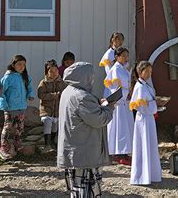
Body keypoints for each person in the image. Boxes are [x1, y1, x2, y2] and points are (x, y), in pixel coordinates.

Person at [57, 62, 116, 197]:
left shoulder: (69, 91)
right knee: (86, 191)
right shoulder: (82, 97)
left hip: (75, 150)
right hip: (84, 153)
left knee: (77, 190)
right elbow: (99, 120)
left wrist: (97, 104)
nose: (92, 80)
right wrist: (109, 107)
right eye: (90, 76)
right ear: (83, 77)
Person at [129, 61, 162, 185]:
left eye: (150, 71)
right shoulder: (140, 87)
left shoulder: (146, 85)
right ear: (139, 72)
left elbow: (149, 102)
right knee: (143, 145)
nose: (149, 74)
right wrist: (155, 104)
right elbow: (142, 107)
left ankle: (151, 174)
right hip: (143, 119)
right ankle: (141, 176)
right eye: (146, 71)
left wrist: (155, 103)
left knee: (150, 145)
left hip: (148, 119)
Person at [0, 55, 34, 160]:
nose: (22, 67)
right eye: (19, 64)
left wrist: (30, 94)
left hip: (21, 108)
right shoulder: (8, 77)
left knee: (19, 128)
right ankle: (3, 149)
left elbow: (29, 88)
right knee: (8, 128)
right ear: (13, 65)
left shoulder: (25, 77)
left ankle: (17, 145)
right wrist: (3, 105)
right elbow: (1, 92)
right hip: (10, 108)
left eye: (24, 65)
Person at [104, 47, 134, 166]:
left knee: (126, 128)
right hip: (119, 102)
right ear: (117, 57)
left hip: (125, 102)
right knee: (120, 129)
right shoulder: (116, 69)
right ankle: (119, 153)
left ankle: (125, 152)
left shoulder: (123, 69)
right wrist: (124, 96)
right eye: (124, 55)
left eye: (127, 55)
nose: (126, 58)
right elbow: (115, 87)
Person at [37, 60, 67, 152]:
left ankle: (53, 141)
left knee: (55, 125)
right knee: (48, 123)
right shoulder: (44, 83)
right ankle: (47, 144)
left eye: (56, 71)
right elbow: (40, 95)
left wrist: (61, 95)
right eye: (51, 71)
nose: (54, 74)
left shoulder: (62, 82)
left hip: (57, 110)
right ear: (47, 72)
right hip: (46, 109)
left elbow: (66, 93)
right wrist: (52, 96)